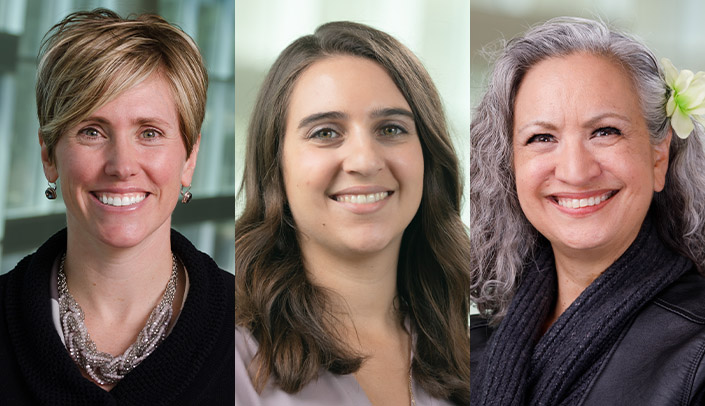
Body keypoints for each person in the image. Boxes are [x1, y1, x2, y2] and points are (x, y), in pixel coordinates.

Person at [0, 9, 234, 404]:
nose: (122, 166)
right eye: (91, 131)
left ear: (190, 159)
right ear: (49, 155)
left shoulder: (256, 331)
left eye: (149, 133)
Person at [470, 16, 705, 405]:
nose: (576, 172)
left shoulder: (696, 349)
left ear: (658, 158)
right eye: (542, 137)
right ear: (508, 167)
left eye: (605, 132)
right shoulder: (467, 347)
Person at [235, 21, 470, 405]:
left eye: (391, 129)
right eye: (326, 132)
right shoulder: (234, 357)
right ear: (275, 166)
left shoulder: (469, 343)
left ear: (428, 155)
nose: (364, 160)